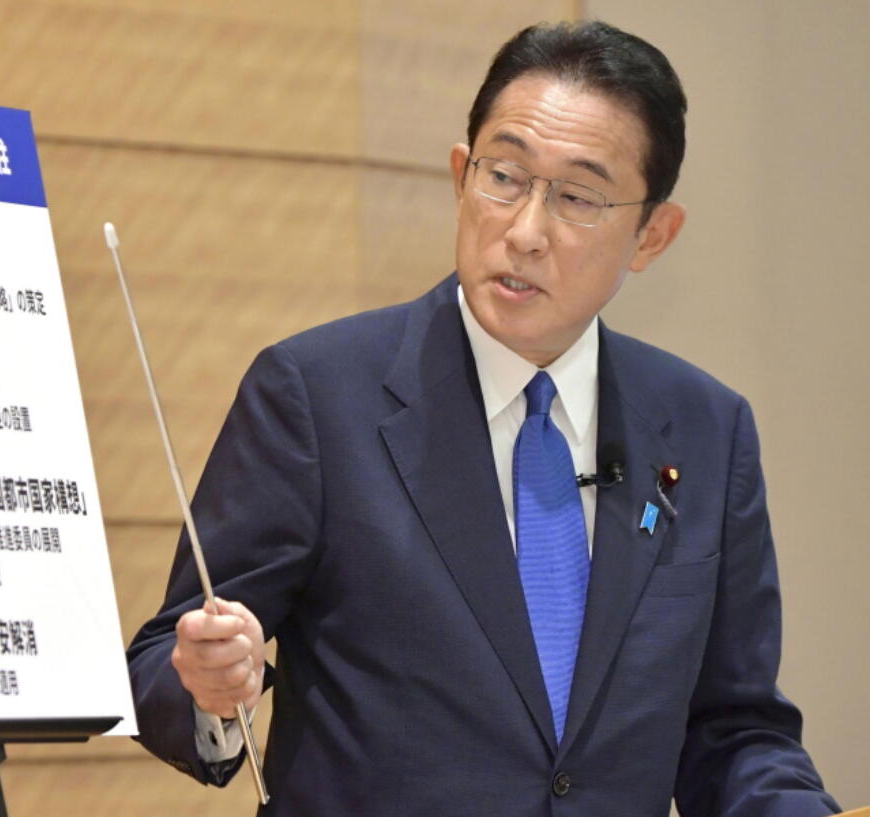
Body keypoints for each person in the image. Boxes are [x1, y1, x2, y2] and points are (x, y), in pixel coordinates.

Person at [126, 20, 840, 817]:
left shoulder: (707, 428)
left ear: (652, 235)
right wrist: (209, 687)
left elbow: (735, 730)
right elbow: (162, 660)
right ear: (461, 176)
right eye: (505, 176)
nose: (525, 231)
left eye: (577, 197)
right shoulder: (317, 396)